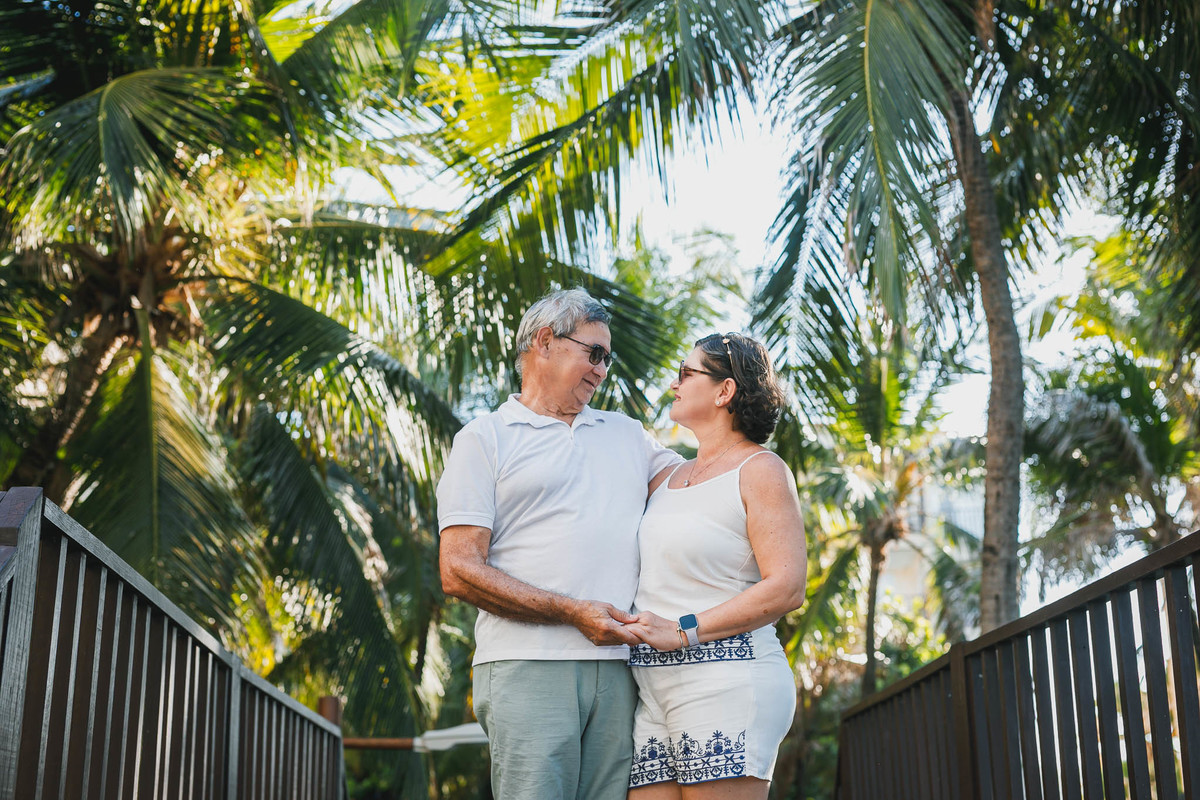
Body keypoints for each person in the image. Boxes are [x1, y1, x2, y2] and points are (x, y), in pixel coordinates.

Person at [437, 288, 684, 800]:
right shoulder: (485, 438)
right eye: (593, 353)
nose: (601, 369)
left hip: (620, 670)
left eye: (607, 359)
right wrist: (573, 612)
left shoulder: (628, 434)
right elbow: (457, 569)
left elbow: (697, 487)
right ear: (545, 342)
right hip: (526, 665)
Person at [624, 332, 807, 800]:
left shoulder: (760, 469)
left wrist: (684, 629)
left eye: (687, 374)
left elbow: (787, 587)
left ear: (725, 391)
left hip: (728, 680)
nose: (674, 384)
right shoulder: (666, 476)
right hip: (653, 690)